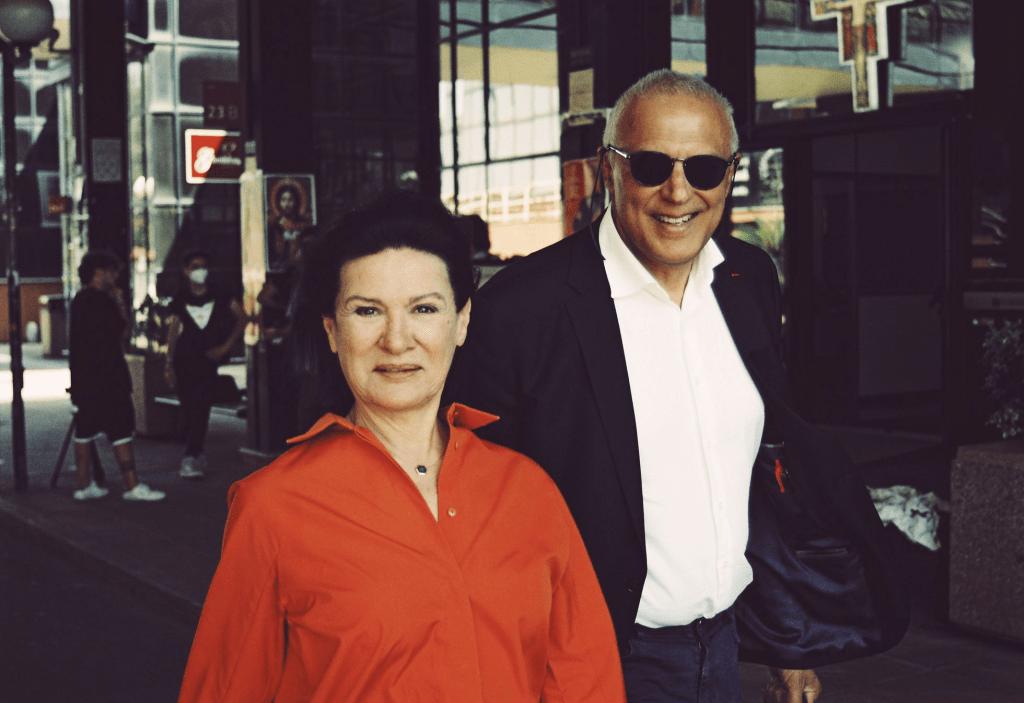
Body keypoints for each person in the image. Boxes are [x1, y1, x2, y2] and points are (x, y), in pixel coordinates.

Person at [448, 69, 911, 703]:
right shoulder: (523, 308)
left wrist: (784, 641)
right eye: (650, 165)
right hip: (593, 660)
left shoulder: (747, 278)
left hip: (723, 647)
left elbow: (755, 468)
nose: (677, 191)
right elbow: (479, 513)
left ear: (731, 173)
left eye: (704, 168)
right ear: (609, 169)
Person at [178, 191, 626, 703]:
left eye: (424, 309)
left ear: (461, 321)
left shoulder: (527, 491)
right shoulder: (273, 507)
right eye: (367, 310)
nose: (396, 340)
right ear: (332, 330)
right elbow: (224, 689)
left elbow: (585, 681)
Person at [69, 250, 165, 502]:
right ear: (99, 272)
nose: (115, 276)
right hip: (109, 377)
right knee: (120, 429)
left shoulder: (79, 300)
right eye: (112, 271)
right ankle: (132, 485)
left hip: (84, 379)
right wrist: (120, 302)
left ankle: (84, 485)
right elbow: (123, 333)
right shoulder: (104, 302)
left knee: (85, 431)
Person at [164, 250, 248, 479]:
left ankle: (191, 455)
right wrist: (168, 363)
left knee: (201, 406)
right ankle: (197, 452)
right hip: (184, 359)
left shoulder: (219, 293)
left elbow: (242, 317)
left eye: (203, 266)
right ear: (186, 271)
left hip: (208, 361)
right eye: (195, 266)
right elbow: (173, 331)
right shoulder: (181, 297)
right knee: (189, 408)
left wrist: (225, 346)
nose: (200, 270)